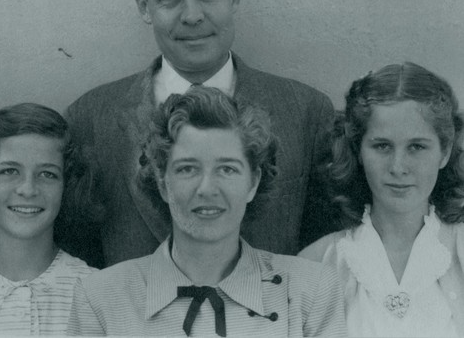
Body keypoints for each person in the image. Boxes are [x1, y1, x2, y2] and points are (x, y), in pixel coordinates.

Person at [63, 0, 335, 268]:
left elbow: (325, 253)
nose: (192, 15)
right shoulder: (90, 118)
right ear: (144, 6)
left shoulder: (306, 111)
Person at [67, 87, 346, 337]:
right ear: (163, 182)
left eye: (227, 169)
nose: (207, 188)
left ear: (253, 182)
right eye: (188, 168)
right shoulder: (101, 299)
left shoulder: (311, 292)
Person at [299, 63, 464, 337]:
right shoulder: (318, 263)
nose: (398, 167)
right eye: (382, 146)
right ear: (358, 150)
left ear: (444, 152)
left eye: (417, 147)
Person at [0, 103, 100, 335]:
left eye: (48, 174)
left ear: (67, 186)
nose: (28, 190)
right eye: (9, 171)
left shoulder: (99, 293)